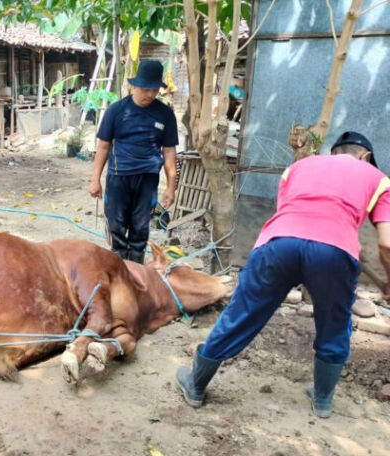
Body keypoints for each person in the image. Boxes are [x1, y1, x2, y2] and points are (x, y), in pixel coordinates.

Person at [176, 131, 390, 418]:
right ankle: (323, 400)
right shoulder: (377, 177)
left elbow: (294, 215)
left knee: (243, 312)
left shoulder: (299, 167)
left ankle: (196, 384)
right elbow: (386, 243)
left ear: (334, 152)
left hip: (280, 242)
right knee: (334, 323)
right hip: (335, 252)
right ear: (365, 157)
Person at [88, 60, 178, 263]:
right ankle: (119, 271)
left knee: (140, 230)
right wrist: (95, 180)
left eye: (155, 90)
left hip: (148, 179)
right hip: (119, 177)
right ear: (134, 86)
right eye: (146, 89)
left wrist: (171, 187)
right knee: (117, 228)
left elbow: (170, 151)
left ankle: (136, 271)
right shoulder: (116, 111)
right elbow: (103, 147)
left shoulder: (165, 114)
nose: (150, 94)